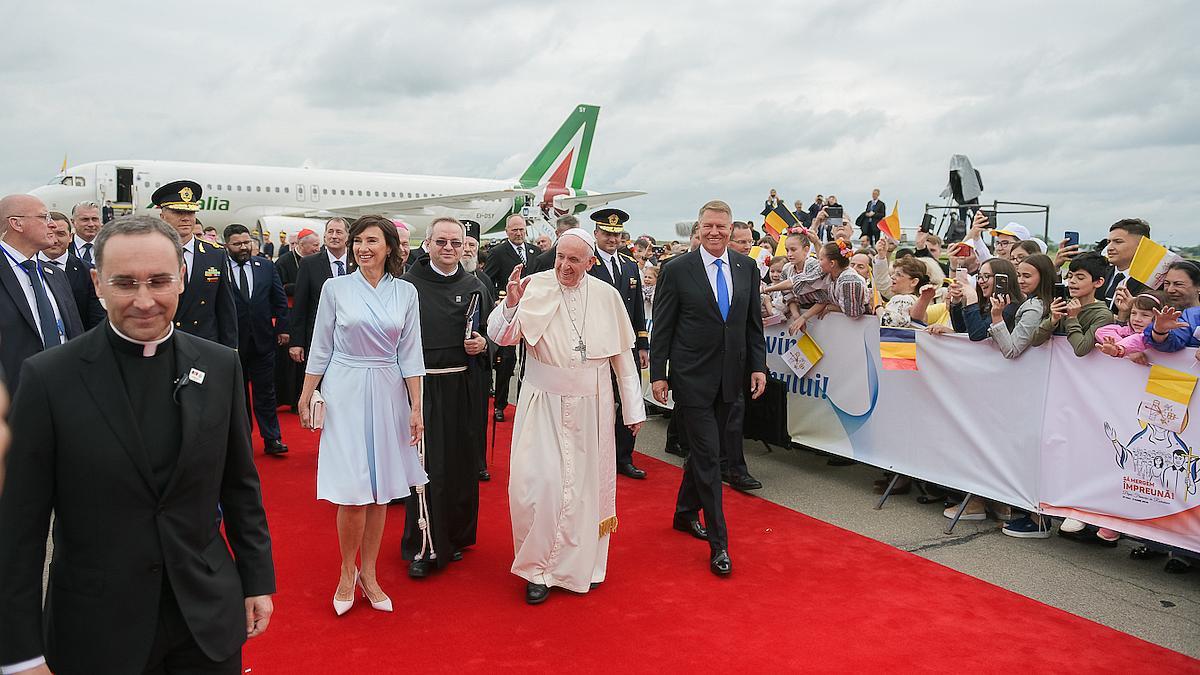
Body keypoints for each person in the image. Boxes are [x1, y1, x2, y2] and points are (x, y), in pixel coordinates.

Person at [0, 215, 275, 673]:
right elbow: (18, 526)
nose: (144, 301)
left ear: (182, 279)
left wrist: (256, 580)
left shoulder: (221, 364)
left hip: (206, 619)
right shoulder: (49, 378)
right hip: (97, 629)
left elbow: (240, 486)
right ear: (97, 283)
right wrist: (19, 653)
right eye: (125, 283)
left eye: (159, 281)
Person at [487, 227, 646, 604]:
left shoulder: (607, 296)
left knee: (583, 490)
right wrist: (510, 305)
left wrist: (633, 410)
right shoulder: (534, 286)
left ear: (590, 263)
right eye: (560, 257)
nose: (565, 266)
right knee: (538, 486)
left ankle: (578, 566)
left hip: (592, 402)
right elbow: (502, 335)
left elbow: (623, 360)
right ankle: (537, 568)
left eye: (574, 260)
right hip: (542, 401)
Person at [298, 214, 426, 616]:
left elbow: (411, 353)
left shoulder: (405, 293)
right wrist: (306, 394)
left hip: (389, 389)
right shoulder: (335, 288)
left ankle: (369, 574)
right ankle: (345, 571)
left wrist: (416, 407)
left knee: (380, 487)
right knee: (353, 491)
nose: (362, 248)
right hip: (346, 388)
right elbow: (321, 346)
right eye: (358, 241)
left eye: (372, 241)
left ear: (389, 247)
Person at [651, 200, 767, 577]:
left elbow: (752, 326)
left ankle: (685, 513)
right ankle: (720, 544)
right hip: (691, 378)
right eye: (708, 226)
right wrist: (658, 373)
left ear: (732, 228)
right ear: (697, 229)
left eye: (722, 226)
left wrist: (758, 367)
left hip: (731, 377)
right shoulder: (677, 269)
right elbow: (663, 326)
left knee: (704, 453)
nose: (715, 232)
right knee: (709, 457)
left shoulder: (746, 268)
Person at [401, 217, 495, 577]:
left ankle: (454, 536)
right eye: (441, 242)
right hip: (425, 386)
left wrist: (482, 344)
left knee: (461, 463)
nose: (449, 249)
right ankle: (424, 545)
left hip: (464, 385)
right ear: (427, 244)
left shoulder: (475, 285)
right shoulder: (408, 285)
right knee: (428, 467)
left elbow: (490, 332)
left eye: (456, 243)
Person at [0, 194, 84, 396]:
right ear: (16, 224)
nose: (52, 225)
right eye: (43, 217)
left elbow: (75, 336)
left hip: (64, 397)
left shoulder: (54, 274)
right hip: (14, 402)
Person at [588, 208, 650, 480]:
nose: (612, 239)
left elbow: (637, 309)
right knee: (598, 402)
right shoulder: (589, 264)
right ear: (596, 234)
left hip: (625, 346)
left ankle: (624, 457)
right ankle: (595, 456)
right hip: (596, 345)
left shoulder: (628, 265)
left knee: (628, 400)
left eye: (616, 235)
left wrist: (643, 345)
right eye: (606, 234)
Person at [224, 224, 290, 456]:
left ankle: (272, 438)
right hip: (231, 344)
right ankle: (242, 442)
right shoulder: (220, 268)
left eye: (247, 243)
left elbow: (279, 300)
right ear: (227, 245)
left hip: (263, 341)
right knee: (237, 396)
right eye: (237, 244)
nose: (243, 247)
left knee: (266, 393)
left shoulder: (265, 266)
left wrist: (283, 328)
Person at [153, 180, 238, 348]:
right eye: (178, 212)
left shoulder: (215, 254)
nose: (186, 218)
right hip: (161, 344)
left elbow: (226, 307)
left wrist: (230, 351)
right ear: (162, 216)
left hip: (203, 344)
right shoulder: (149, 252)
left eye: (190, 212)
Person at [485, 214, 540, 422]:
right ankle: (500, 404)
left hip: (532, 314)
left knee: (531, 361)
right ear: (507, 231)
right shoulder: (498, 252)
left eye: (522, 229)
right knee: (507, 361)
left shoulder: (535, 252)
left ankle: (525, 403)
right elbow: (488, 281)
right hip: (509, 312)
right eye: (514, 230)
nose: (519, 233)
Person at [462, 224, 496, 481]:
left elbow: (494, 328)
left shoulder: (483, 282)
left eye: (472, 245)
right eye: (464, 244)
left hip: (476, 365)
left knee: (475, 417)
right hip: (444, 366)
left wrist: (485, 344)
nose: (466, 250)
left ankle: (477, 462)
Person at [1031, 253, 1114, 356]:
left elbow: (1081, 349)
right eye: (1070, 276)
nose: (1072, 281)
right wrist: (1053, 319)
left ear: (1098, 282)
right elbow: (1035, 341)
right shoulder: (1063, 305)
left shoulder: (1103, 315)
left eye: (1080, 278)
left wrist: (1072, 318)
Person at [41, 211, 105, 330]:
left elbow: (97, 319)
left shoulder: (88, 271)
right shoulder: (26, 268)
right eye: (49, 234)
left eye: (60, 234)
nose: (54, 240)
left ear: (70, 237)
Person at [1100, 218, 1152, 312]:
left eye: (1118, 242)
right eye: (1109, 242)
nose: (1109, 248)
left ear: (1141, 245)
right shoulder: (1100, 273)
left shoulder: (1151, 282)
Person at [68, 201, 102, 265]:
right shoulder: (65, 247)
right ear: (73, 222)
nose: (91, 224)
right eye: (85, 219)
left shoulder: (109, 247)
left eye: (94, 219)